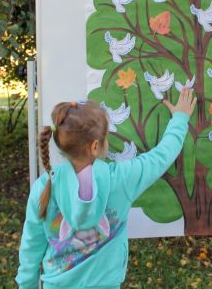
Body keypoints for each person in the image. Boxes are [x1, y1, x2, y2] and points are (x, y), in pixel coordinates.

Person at [15, 87, 196, 289]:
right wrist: (180, 118)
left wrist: (27, 286)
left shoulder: (43, 187)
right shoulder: (121, 179)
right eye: (106, 137)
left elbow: (31, 247)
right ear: (95, 146)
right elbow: (161, 157)